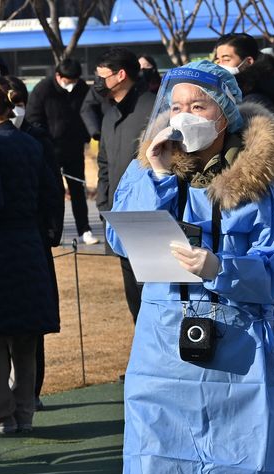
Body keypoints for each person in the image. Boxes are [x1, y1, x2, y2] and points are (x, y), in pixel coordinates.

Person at [107, 60, 274, 474]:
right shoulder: (150, 169)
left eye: (198, 105)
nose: (185, 115)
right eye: (177, 106)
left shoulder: (265, 187)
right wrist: (157, 173)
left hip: (243, 355)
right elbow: (122, 237)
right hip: (164, 355)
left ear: (224, 113)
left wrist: (219, 267)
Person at [0, 82, 60, 434]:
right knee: (26, 334)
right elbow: (51, 193)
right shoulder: (31, 144)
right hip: (30, 245)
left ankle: (1, 415)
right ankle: (24, 412)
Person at [214, 32, 274, 368]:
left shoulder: (267, 98)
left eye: (225, 58)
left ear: (248, 61)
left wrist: (272, 178)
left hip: (267, 190)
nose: (219, 64)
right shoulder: (242, 93)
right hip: (243, 193)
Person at [95, 47, 156, 324]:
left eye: (103, 76)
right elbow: (105, 164)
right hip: (119, 217)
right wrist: (104, 204)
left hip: (150, 217)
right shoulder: (110, 114)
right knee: (133, 297)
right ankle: (145, 361)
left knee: (154, 296)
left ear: (121, 75)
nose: (98, 83)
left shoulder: (152, 108)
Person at [26, 58, 98, 245]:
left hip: (74, 149)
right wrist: (45, 141)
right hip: (49, 150)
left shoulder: (81, 88)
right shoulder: (43, 89)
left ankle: (84, 229)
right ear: (58, 76)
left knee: (78, 190)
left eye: (75, 80)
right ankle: (53, 229)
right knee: (53, 191)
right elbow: (33, 118)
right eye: (69, 80)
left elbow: (89, 111)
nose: (72, 84)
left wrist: (84, 136)